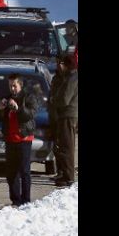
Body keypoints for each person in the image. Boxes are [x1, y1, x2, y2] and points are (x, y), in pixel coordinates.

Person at [0, 74, 38, 206]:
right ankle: (15, 199)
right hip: (10, 139)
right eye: (10, 86)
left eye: (15, 85)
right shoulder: (7, 98)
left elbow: (29, 115)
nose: (12, 88)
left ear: (20, 85)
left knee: (24, 170)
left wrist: (18, 108)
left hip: (24, 138)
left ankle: (25, 200)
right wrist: (0, 109)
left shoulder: (29, 97)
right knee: (11, 172)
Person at [52, 54, 78, 187]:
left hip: (68, 115)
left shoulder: (72, 78)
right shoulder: (70, 77)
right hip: (66, 115)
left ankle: (69, 177)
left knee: (67, 147)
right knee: (64, 146)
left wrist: (54, 100)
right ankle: (66, 175)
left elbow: (64, 99)